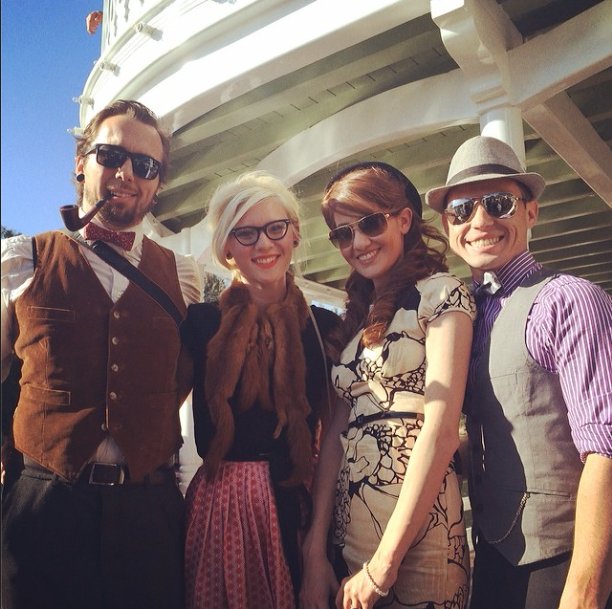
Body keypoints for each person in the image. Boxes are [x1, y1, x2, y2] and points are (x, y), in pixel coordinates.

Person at [1, 99, 202, 609]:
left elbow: (179, 381)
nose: (126, 173)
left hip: (149, 512)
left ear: (158, 182)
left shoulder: (184, 277)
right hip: (42, 505)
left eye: (146, 165)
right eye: (111, 155)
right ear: (81, 162)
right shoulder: (23, 260)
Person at [425, 135, 612, 609]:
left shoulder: (568, 300)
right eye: (461, 210)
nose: (479, 221)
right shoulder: (463, 316)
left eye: (498, 203)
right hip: (492, 559)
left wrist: (584, 593)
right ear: (448, 225)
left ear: (531, 211)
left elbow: (606, 449)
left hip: (563, 565)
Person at [301, 162, 476, 609]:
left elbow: (441, 430)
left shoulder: (442, 294)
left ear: (404, 220)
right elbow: (335, 440)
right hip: (351, 539)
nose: (358, 243)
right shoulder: (356, 321)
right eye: (343, 234)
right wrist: (314, 551)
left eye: (370, 223)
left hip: (423, 543)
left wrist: (384, 563)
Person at [181, 170, 340, 609]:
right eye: (246, 233)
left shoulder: (325, 329)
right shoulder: (200, 324)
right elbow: (158, 415)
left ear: (294, 234)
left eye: (276, 228)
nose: (264, 244)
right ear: (227, 248)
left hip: (300, 502)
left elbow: (332, 436)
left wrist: (317, 544)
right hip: (223, 509)